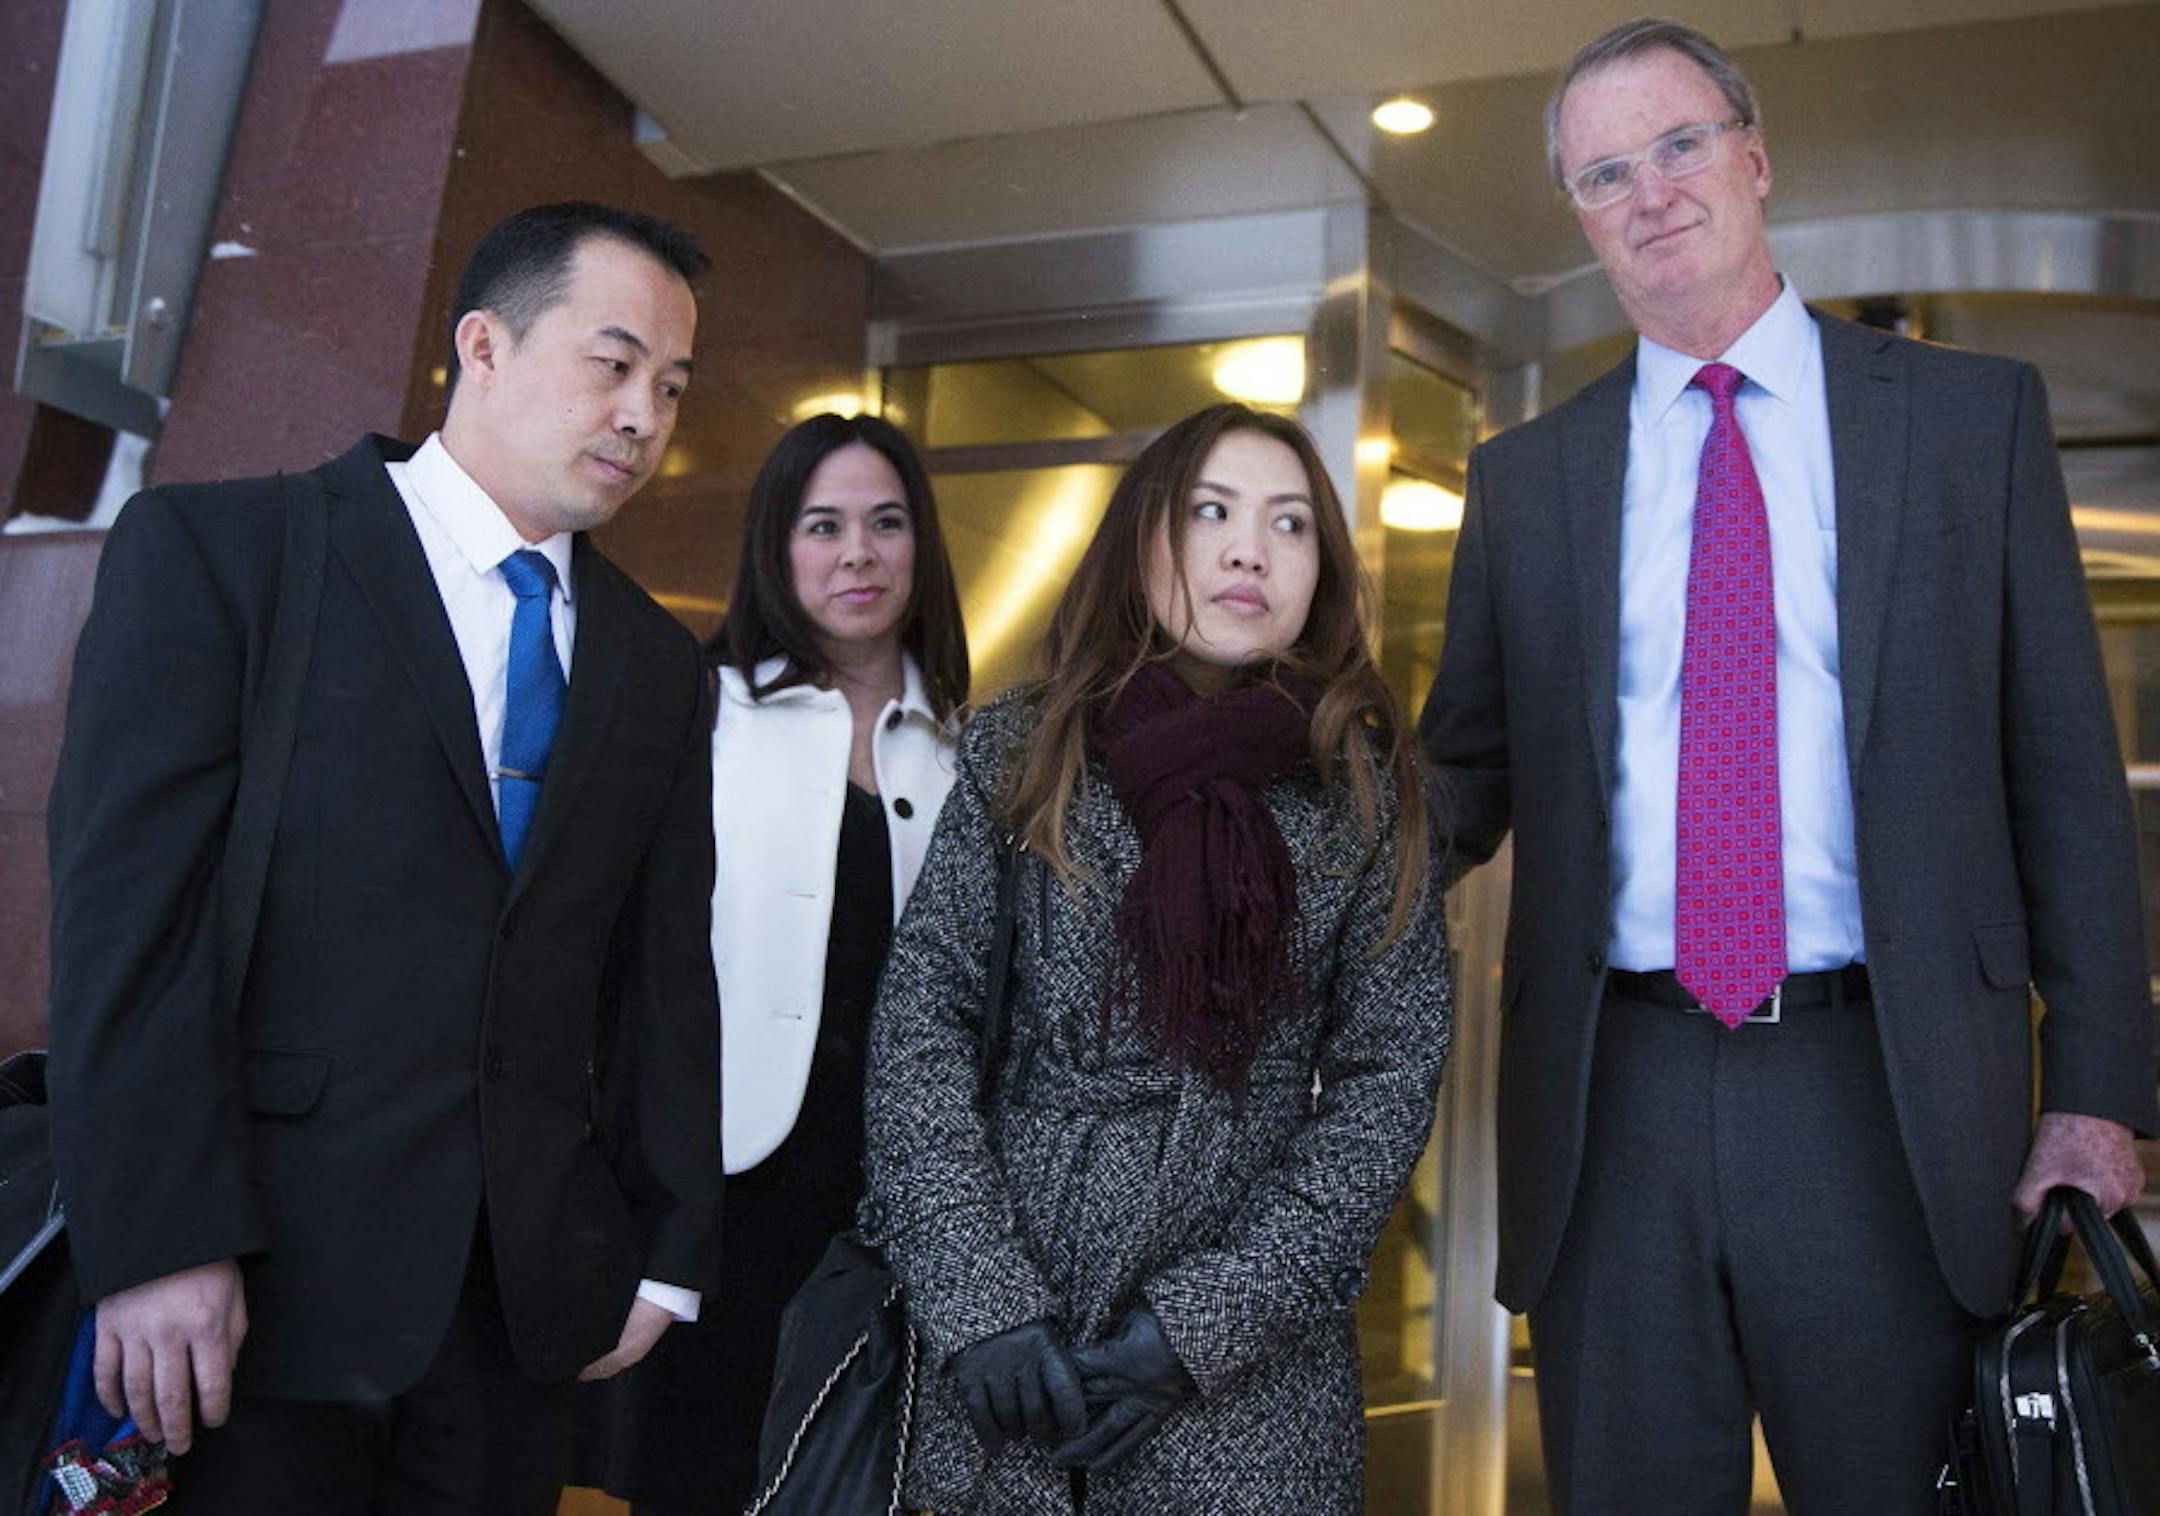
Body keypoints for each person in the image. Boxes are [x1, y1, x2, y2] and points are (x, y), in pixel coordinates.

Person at [1419, 19, 2158, 1513]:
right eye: (1604, 171)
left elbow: (2066, 775)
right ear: (1578, 211)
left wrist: (2095, 1090)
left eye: (1679, 145)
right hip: (1610, 1093)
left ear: (1755, 159)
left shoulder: (1965, 422)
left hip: (1885, 1092)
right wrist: (1253, 845)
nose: (1651, 191)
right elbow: (1461, 776)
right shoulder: (1525, 480)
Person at [44, 202, 724, 1515]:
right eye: (615, 361)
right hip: (256, 1286)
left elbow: (660, 972)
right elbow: (132, 925)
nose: (644, 413)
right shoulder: (232, 555)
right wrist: (159, 1239)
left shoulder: (653, 660)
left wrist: (673, 1243)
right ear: (482, 343)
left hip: (521, 1305)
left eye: (674, 386)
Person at [861, 402, 1451, 1515]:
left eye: (1290, 526)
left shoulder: (1369, 787)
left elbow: (1388, 1082)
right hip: (1010, 1330)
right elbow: (921, 1023)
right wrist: (979, 1301)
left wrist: (1200, 1328)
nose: (1248, 549)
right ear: (1145, 541)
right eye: (1212, 512)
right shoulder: (1024, 745)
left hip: (1246, 1365)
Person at [585, 412, 970, 1513]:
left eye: (887, 523)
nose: (858, 552)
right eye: (824, 524)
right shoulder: (701, 714)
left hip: (905, 1210)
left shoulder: (973, 750)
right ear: (775, 545)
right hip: (724, 1195)